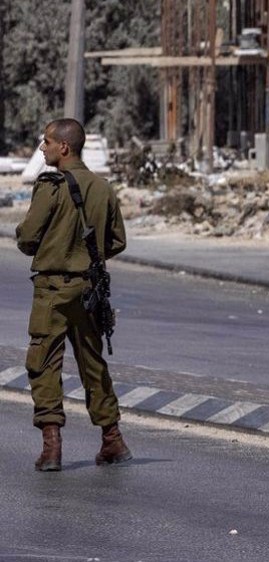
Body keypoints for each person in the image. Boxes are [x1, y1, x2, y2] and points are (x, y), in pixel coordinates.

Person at [16, 118, 131, 472]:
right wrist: (86, 256)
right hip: (89, 288)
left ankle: (52, 447)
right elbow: (117, 241)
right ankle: (112, 439)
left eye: (47, 142)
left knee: (44, 362)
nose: (42, 147)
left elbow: (27, 239)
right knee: (92, 363)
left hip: (52, 288)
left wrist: (50, 245)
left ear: (63, 147)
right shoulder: (102, 187)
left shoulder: (50, 186)